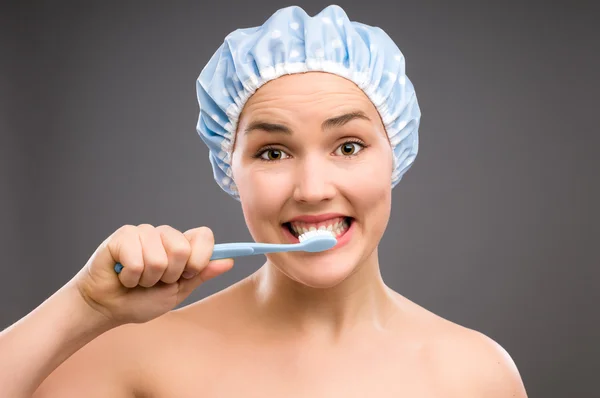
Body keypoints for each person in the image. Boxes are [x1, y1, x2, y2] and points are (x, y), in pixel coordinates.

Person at [0, 5, 528, 397]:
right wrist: (83, 308)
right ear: (229, 168)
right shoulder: (131, 357)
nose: (313, 187)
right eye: (273, 152)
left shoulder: (475, 374)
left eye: (348, 146)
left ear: (397, 153)